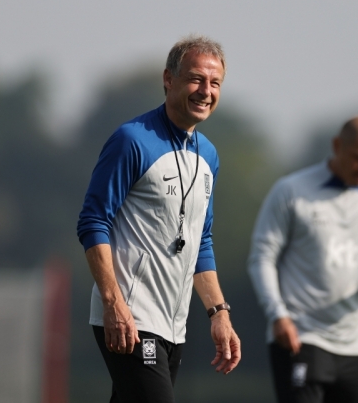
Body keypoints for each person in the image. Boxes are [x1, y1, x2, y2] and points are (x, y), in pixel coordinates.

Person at [77, 35, 241, 403]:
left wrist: (219, 313)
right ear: (169, 79)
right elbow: (92, 222)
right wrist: (113, 302)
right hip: (131, 318)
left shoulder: (209, 155)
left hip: (174, 326)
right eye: (196, 79)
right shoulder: (131, 140)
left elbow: (202, 240)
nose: (206, 91)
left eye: (215, 83)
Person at [247, 116, 358, 403]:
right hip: (300, 336)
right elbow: (261, 258)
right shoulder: (291, 191)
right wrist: (277, 315)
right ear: (337, 146)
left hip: (355, 343)